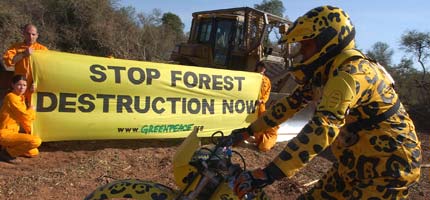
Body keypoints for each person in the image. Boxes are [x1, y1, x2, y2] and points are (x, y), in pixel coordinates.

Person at [230, 6, 421, 199]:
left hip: (389, 170)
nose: (302, 53)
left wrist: (270, 173)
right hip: (353, 162)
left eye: (306, 46)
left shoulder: (350, 74)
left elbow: (322, 128)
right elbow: (289, 105)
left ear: (327, 42)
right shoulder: (326, 71)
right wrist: (248, 131)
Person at [2, 23, 48, 104]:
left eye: (33, 34)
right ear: (23, 34)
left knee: (31, 111)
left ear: (37, 35)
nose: (31, 37)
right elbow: (8, 62)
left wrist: (37, 83)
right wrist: (23, 54)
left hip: (34, 88)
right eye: (28, 34)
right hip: (19, 87)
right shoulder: (15, 47)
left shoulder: (43, 50)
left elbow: (47, 69)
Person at [0, 75, 42, 163]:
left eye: (24, 85)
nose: (22, 87)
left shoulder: (20, 98)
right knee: (35, 141)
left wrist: (31, 92)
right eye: (19, 85)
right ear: (12, 85)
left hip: (13, 134)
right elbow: (25, 116)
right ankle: (7, 154)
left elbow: (25, 118)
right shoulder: (11, 97)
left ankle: (7, 148)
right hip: (4, 134)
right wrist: (31, 110)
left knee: (33, 152)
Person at [246, 62, 279, 152]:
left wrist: (262, 100)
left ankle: (260, 140)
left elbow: (267, 93)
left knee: (260, 122)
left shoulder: (267, 80)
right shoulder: (250, 77)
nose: (262, 69)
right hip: (248, 105)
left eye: (264, 67)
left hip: (260, 105)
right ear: (257, 67)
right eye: (260, 67)